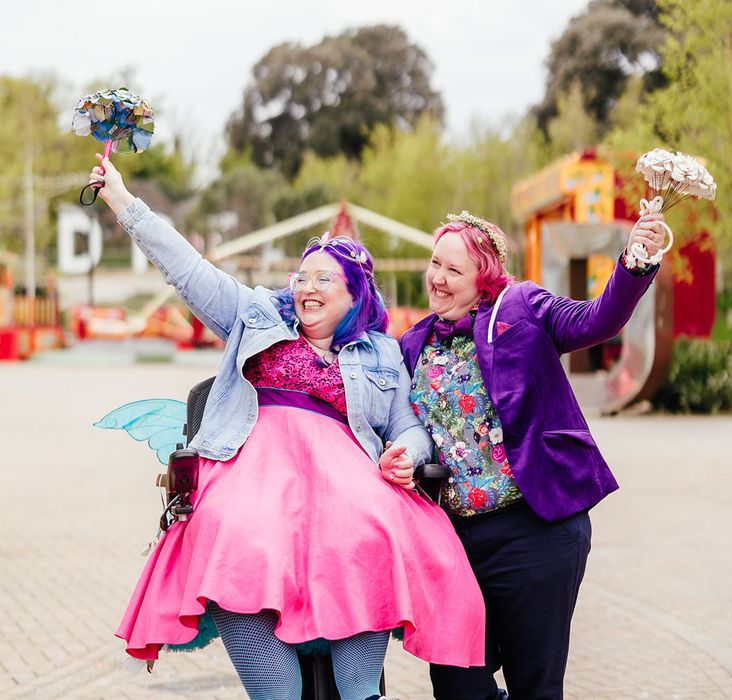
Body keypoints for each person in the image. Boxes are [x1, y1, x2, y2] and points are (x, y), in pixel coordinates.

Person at [88, 157, 486, 700]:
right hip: (255, 481)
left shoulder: (382, 354)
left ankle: (361, 688)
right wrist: (122, 202)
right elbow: (187, 267)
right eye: (303, 277)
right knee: (227, 529)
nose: (308, 288)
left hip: (347, 491)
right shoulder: (254, 315)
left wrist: (406, 454)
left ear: (354, 296)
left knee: (373, 532)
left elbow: (408, 426)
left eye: (326, 279)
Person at [399, 210, 667, 700]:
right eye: (435, 263)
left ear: (483, 280)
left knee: (534, 685)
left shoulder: (519, 307)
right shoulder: (413, 344)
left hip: (534, 530)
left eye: (454, 271)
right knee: (457, 682)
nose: (437, 278)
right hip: (453, 540)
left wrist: (634, 261)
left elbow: (597, 319)